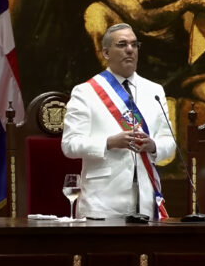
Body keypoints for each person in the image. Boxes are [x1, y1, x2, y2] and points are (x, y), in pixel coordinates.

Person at [61, 23, 176, 221]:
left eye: (134, 44)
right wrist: (109, 142)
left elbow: (170, 141)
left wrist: (153, 145)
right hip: (102, 201)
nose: (130, 49)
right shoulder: (85, 92)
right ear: (106, 52)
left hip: (147, 199)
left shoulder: (155, 90)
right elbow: (69, 145)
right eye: (122, 44)